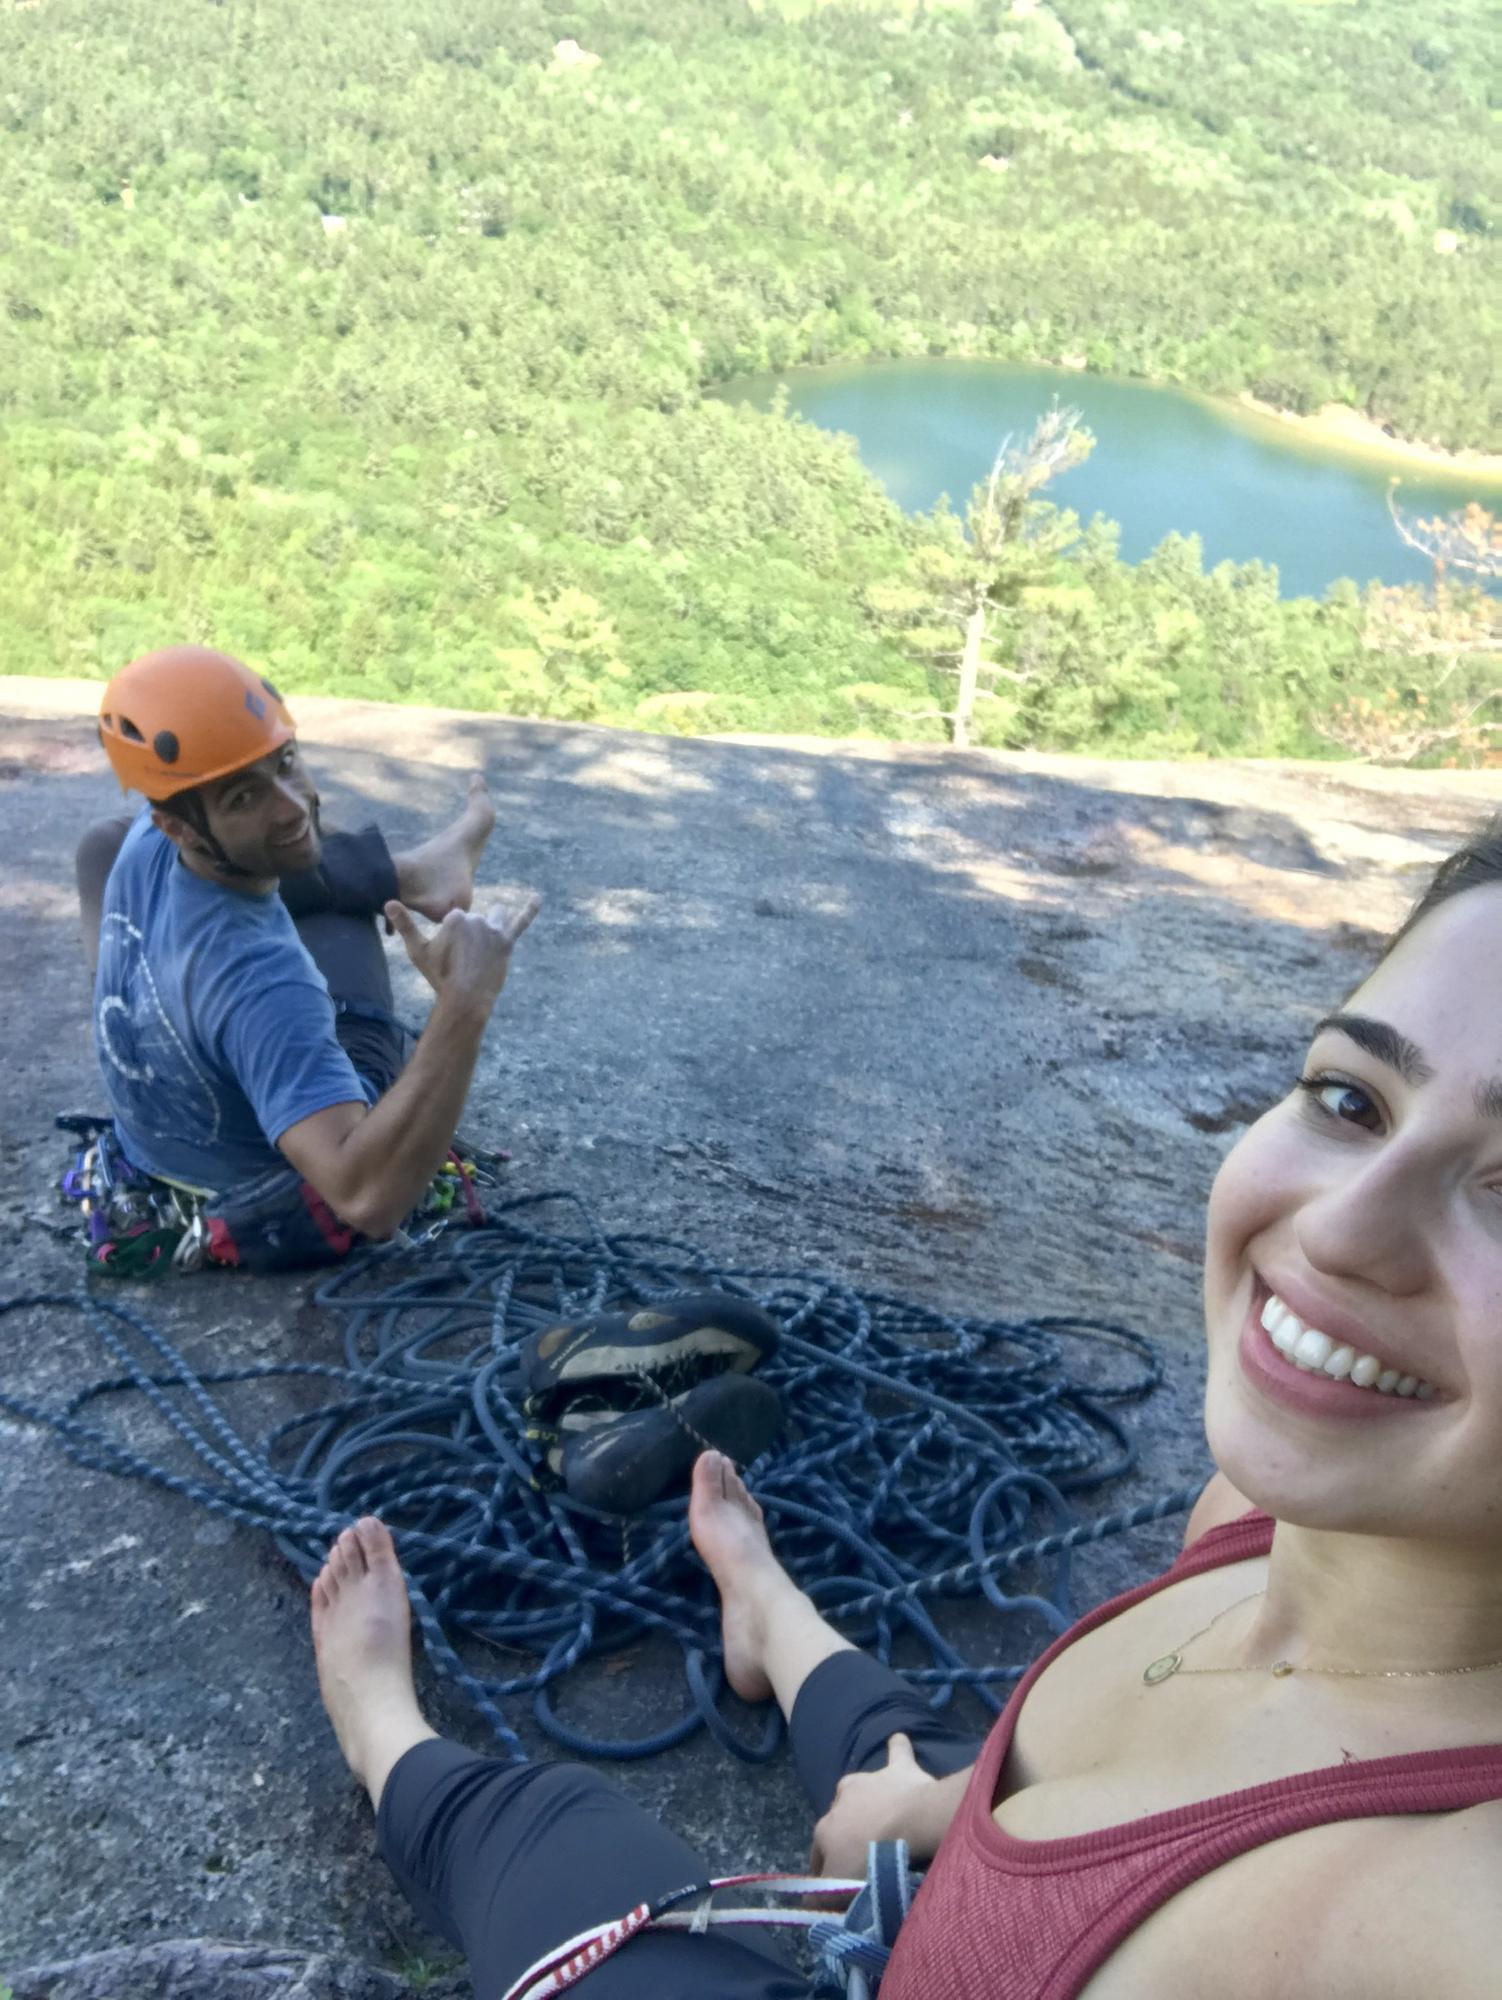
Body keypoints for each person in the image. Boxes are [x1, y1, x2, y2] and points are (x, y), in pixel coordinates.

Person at [308, 816, 1502, 1997]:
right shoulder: (1250, 1506)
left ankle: (380, 1724)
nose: (1339, 1231)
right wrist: (928, 1808)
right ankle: (769, 1613)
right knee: (915, 1749)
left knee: (548, 1825)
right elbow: (1070, 1785)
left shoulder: (1446, 1906)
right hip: (989, 1851)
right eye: (1349, 1098)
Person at [77, 644, 540, 1267]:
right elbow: (366, 1198)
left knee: (128, 844)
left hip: (161, 1133)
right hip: (250, 1173)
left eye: (286, 763)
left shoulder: (148, 833)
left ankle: (419, 872)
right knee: (341, 917)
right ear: (177, 826)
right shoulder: (267, 986)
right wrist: (463, 1004)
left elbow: (223, 833)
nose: (293, 804)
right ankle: (415, 878)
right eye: (243, 797)